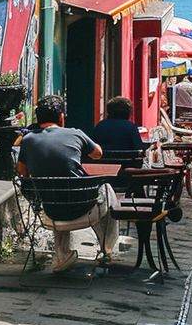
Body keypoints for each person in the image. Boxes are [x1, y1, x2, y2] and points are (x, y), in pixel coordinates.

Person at [17, 95, 118, 272]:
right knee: (105, 190)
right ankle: (106, 249)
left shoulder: (27, 140)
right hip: (84, 211)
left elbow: (22, 172)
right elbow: (98, 154)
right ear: (61, 117)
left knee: (55, 191)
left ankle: (62, 254)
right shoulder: (75, 133)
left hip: (51, 213)